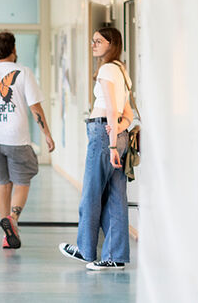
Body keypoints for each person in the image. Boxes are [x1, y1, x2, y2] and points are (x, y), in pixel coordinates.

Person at [0, 32, 55, 249]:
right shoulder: (23, 72)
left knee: (3, 183)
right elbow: (36, 108)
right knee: (22, 181)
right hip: (16, 138)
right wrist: (47, 135)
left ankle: (6, 235)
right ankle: (13, 220)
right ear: (13, 49)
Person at [59, 27, 135, 270]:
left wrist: (111, 141)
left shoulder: (106, 69)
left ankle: (85, 250)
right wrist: (118, 133)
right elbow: (128, 114)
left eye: (98, 41)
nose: (93, 45)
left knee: (91, 194)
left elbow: (112, 110)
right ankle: (116, 256)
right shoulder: (122, 70)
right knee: (115, 198)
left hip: (105, 135)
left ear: (111, 43)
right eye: (92, 41)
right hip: (114, 134)